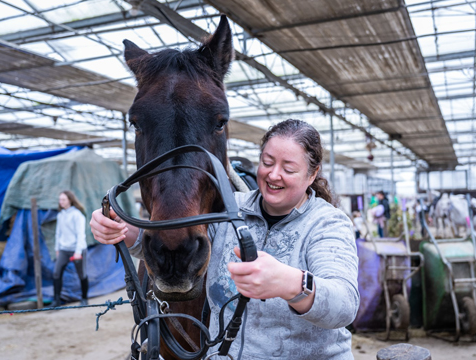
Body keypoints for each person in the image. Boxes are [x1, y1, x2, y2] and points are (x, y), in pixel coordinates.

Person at [90, 119, 359, 359]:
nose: (273, 175)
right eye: (267, 162)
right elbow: (180, 244)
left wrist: (290, 284)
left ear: (312, 174)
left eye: (288, 168)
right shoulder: (230, 210)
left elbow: (345, 305)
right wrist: (123, 230)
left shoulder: (327, 224)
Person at [51, 190, 89, 307]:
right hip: (64, 249)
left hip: (77, 249)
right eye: (60, 200)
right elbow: (58, 233)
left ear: (70, 200)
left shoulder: (77, 215)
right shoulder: (60, 215)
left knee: (81, 274)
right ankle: (56, 300)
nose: (60, 202)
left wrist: (78, 252)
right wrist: (57, 249)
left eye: (63, 199)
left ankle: (84, 299)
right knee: (56, 273)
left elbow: (80, 234)